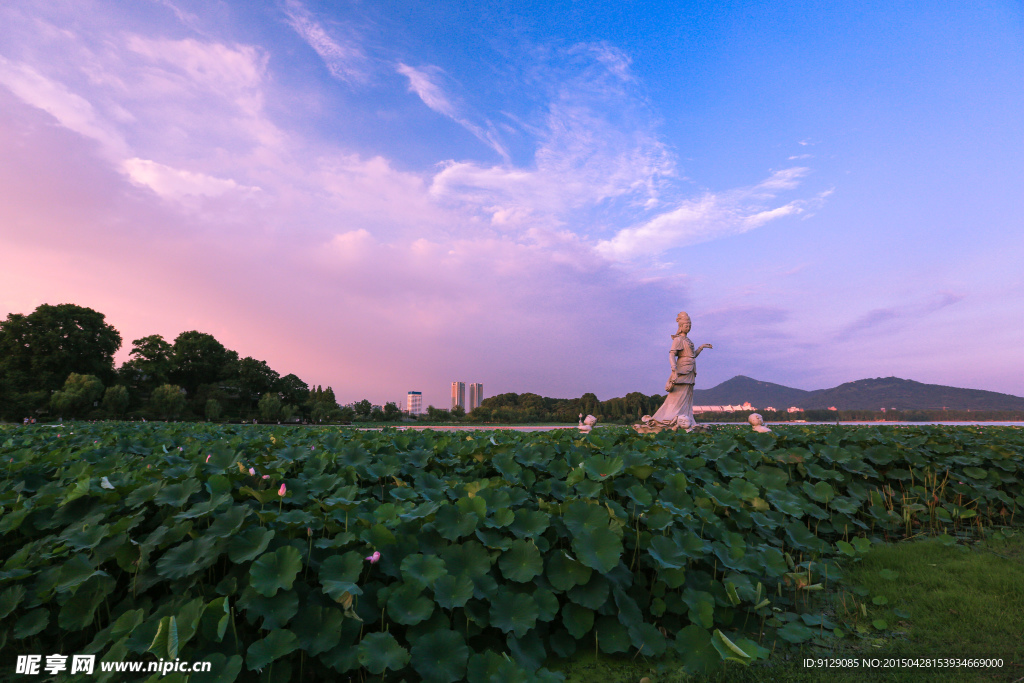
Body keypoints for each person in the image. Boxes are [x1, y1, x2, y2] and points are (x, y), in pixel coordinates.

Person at [635, 311, 713, 433]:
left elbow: (692, 356)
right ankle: (669, 418)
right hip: (682, 369)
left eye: (690, 325)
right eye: (686, 325)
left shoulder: (688, 340)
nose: (689, 327)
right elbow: (672, 355)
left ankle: (686, 419)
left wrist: (701, 347)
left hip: (690, 370)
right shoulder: (678, 339)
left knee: (687, 395)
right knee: (677, 396)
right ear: (681, 326)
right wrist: (674, 369)